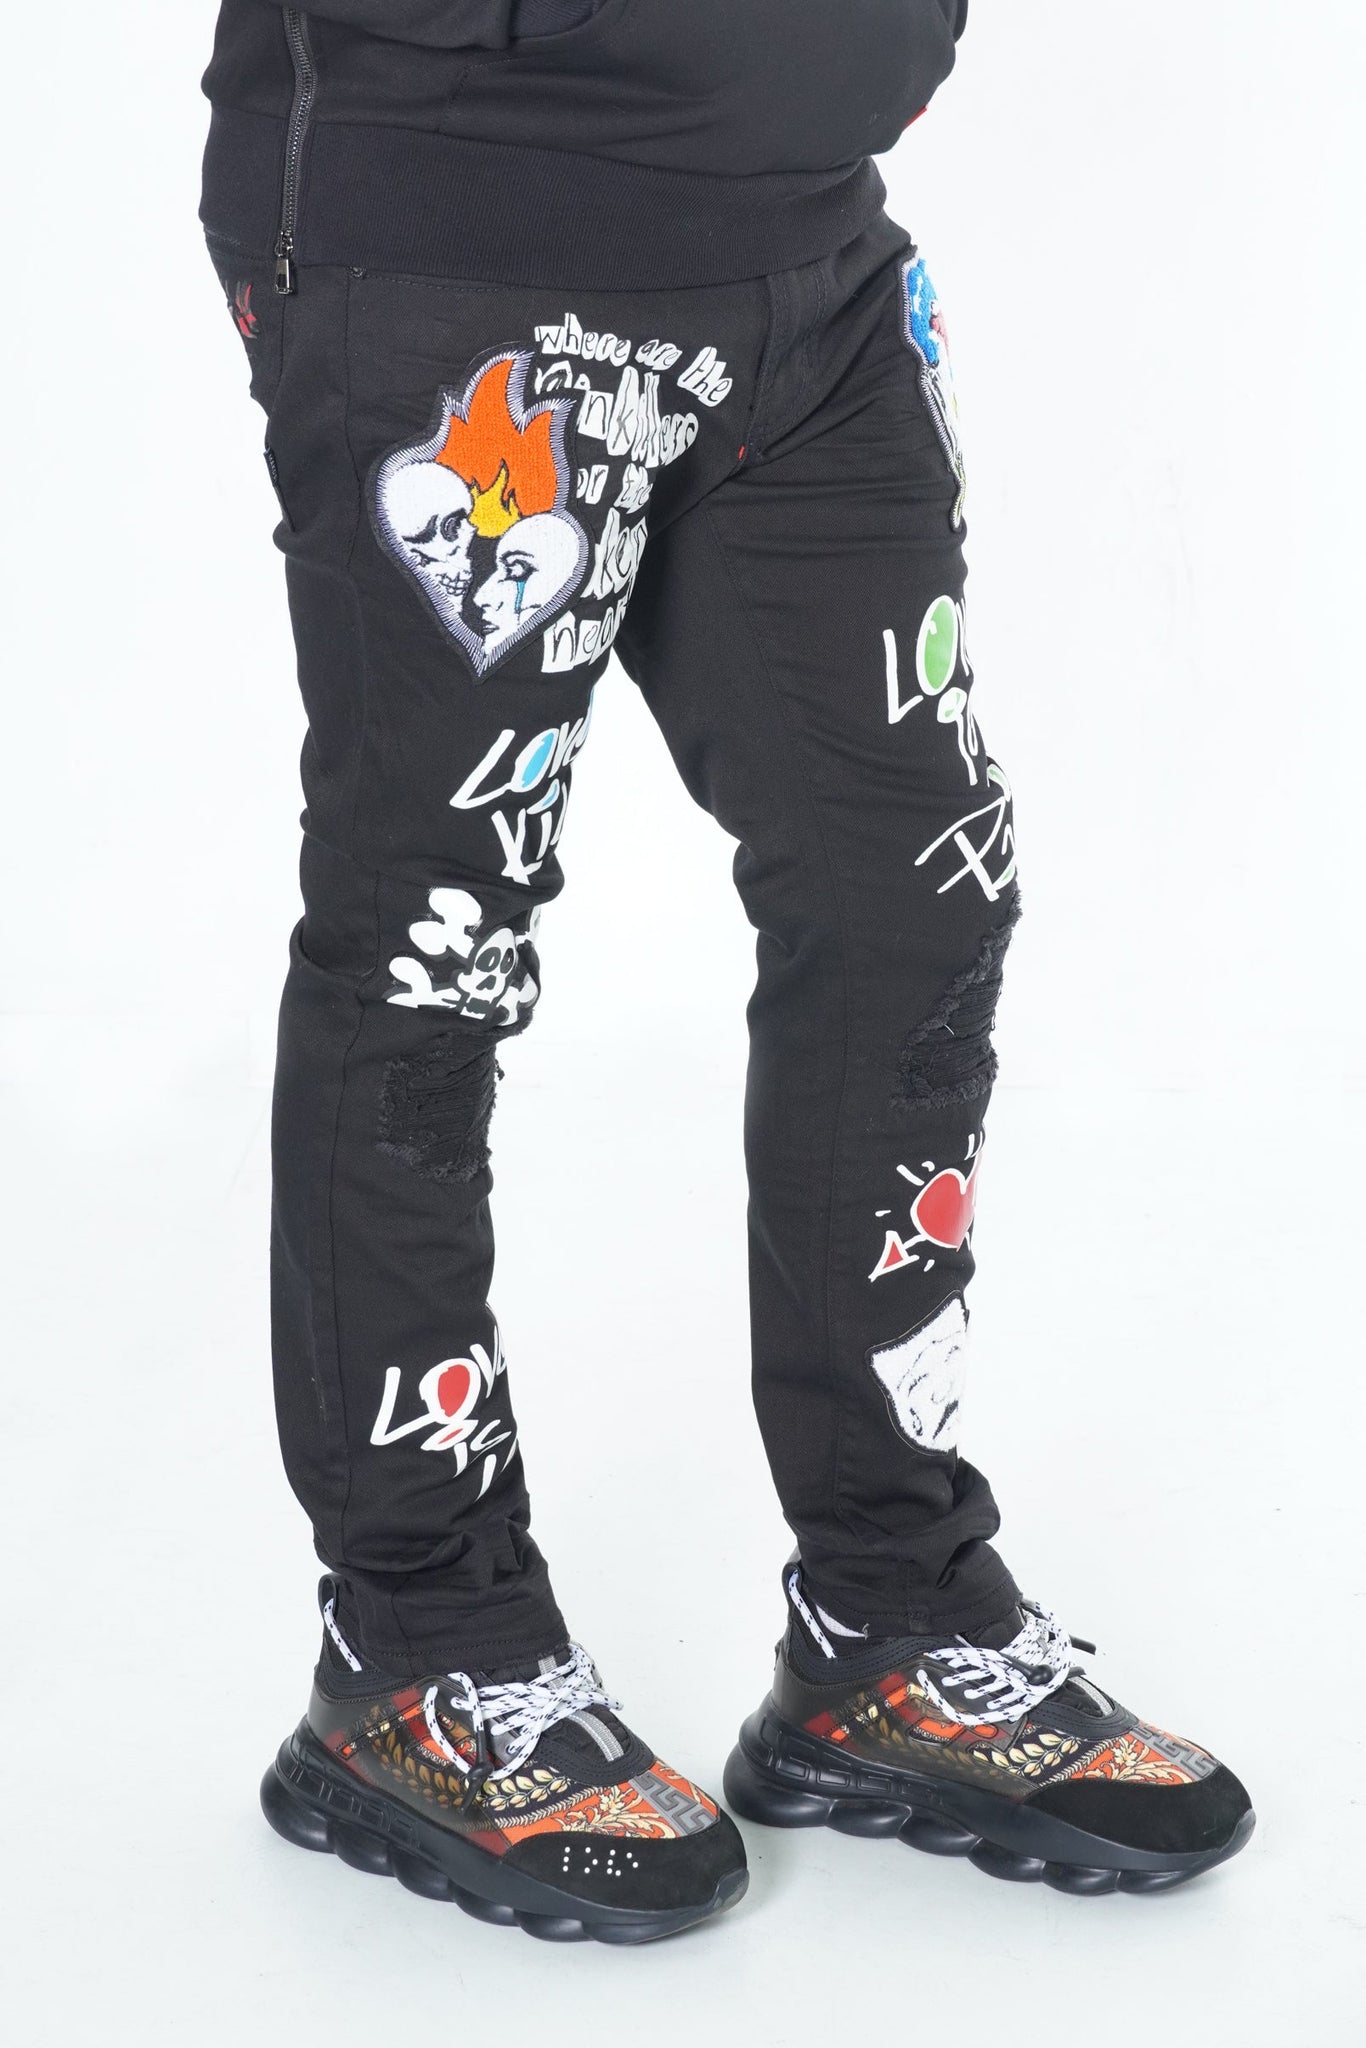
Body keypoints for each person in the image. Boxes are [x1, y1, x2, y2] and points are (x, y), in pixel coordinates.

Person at [200, 0, 1253, 1944]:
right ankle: (417, 1652)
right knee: (432, 950)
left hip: (809, 260)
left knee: (912, 895)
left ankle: (887, 1616)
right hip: (467, 254)